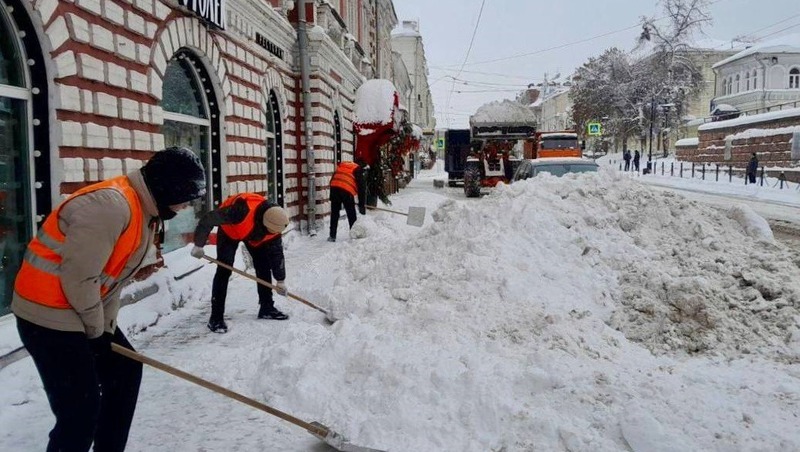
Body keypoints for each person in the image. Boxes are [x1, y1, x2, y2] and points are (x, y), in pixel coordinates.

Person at [12, 147, 207, 452]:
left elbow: (111, 280)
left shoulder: (145, 209)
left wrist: (103, 328)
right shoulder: (110, 206)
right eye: (185, 198)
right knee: (79, 412)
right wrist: (95, 333)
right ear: (168, 187)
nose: (185, 207)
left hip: (76, 306)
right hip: (47, 316)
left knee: (125, 371)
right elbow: (80, 278)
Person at [191, 193, 290, 333]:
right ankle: (216, 318)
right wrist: (199, 244)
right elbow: (208, 219)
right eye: (271, 232)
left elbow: (276, 254)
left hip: (253, 234)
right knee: (224, 271)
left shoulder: (276, 225)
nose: (273, 234)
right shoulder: (239, 211)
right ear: (265, 224)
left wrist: (280, 280)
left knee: (263, 265)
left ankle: (267, 307)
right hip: (230, 231)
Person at [328, 159, 366, 242]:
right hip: (346, 190)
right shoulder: (357, 169)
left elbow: (333, 179)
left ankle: (332, 236)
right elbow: (361, 188)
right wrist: (362, 205)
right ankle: (354, 234)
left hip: (334, 187)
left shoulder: (342, 165)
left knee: (334, 213)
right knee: (351, 213)